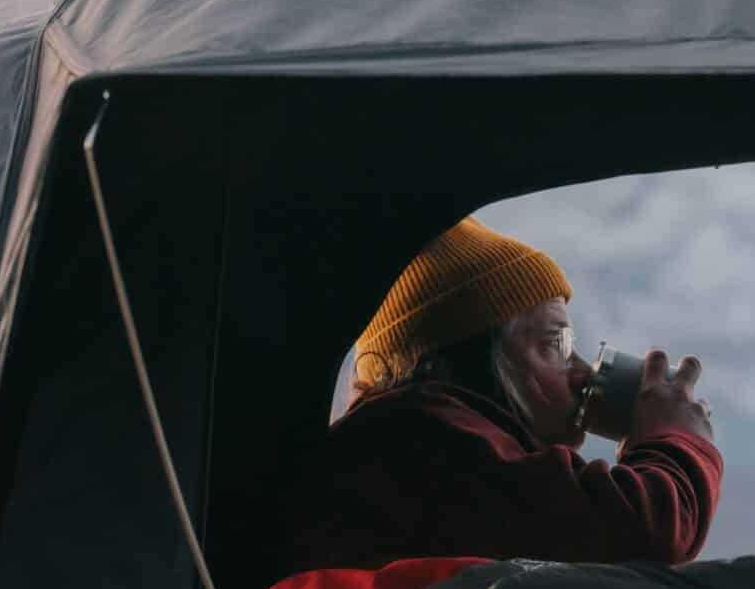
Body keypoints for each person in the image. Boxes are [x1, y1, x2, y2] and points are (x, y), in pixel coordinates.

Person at [289, 216, 720, 570]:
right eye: (555, 345)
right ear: (477, 362)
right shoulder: (423, 443)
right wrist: (676, 439)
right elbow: (642, 531)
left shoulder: (418, 448)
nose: (583, 373)